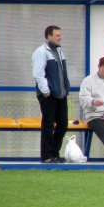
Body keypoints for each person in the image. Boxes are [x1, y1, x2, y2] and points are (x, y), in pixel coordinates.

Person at [32, 25, 70, 163]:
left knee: (63, 124)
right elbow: (38, 74)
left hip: (61, 94)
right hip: (49, 95)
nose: (61, 37)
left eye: (60, 35)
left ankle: (54, 153)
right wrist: (46, 91)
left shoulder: (59, 51)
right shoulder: (41, 52)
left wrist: (66, 89)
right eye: (57, 35)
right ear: (49, 37)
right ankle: (47, 155)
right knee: (48, 125)